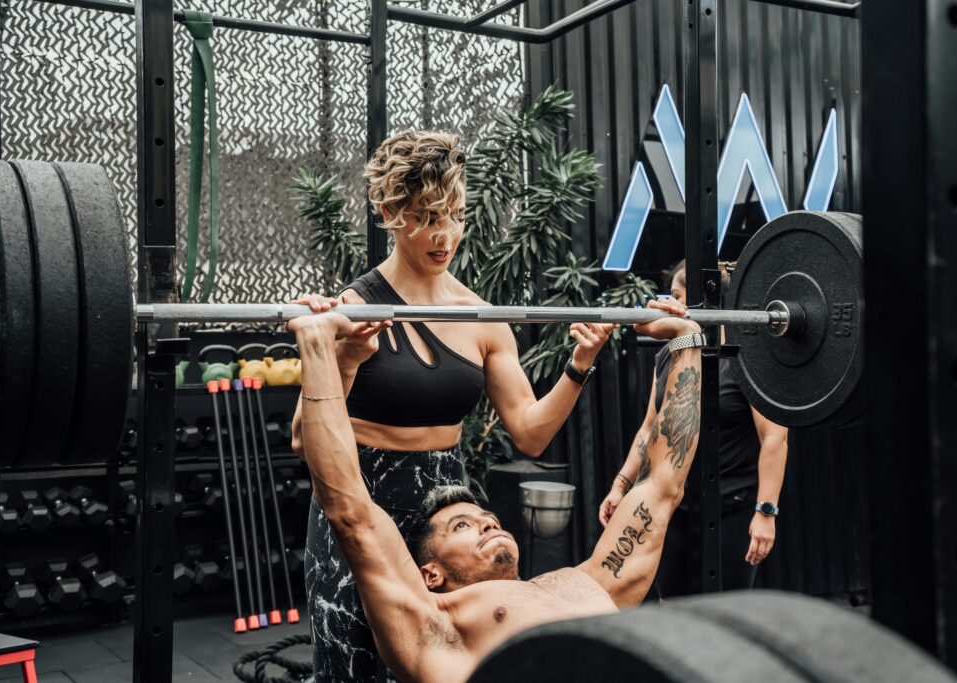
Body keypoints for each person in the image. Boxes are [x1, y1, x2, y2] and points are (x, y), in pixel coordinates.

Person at [291, 130, 615, 681]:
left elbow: (531, 433)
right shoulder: (352, 307)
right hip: (359, 504)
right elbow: (304, 439)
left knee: (459, 662)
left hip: (447, 515)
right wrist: (345, 356)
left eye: (454, 216)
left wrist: (578, 366)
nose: (444, 235)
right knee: (355, 668)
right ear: (391, 214)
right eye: (425, 218)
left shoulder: (481, 316)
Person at [288, 297, 702, 683]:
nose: (488, 524)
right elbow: (350, 511)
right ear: (430, 574)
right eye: (462, 525)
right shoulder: (435, 627)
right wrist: (319, 345)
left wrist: (685, 339)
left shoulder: (586, 583)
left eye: (488, 519)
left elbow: (662, 486)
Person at [598, 260, 788, 594]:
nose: (668, 303)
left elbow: (774, 438)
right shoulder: (667, 357)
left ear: (702, 301)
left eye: (676, 296)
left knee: (726, 612)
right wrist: (620, 485)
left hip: (733, 507)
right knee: (672, 604)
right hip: (676, 506)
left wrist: (766, 512)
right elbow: (649, 429)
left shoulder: (746, 359)